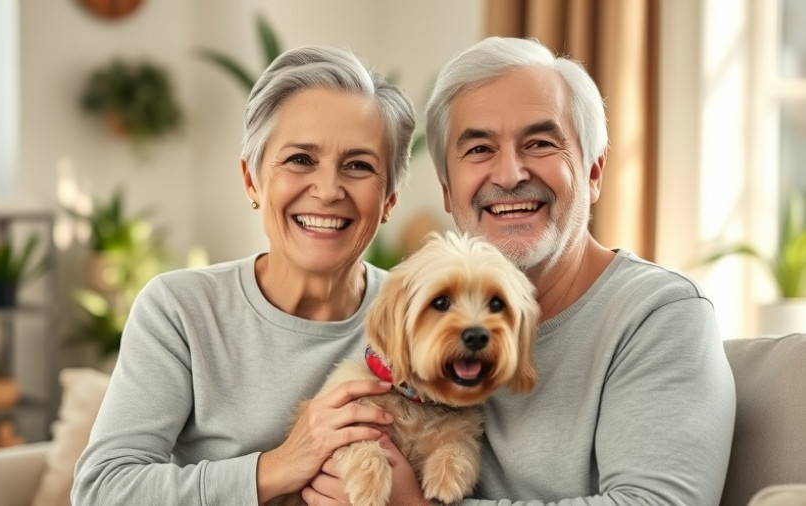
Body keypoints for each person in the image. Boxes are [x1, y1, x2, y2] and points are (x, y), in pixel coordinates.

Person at [303, 36, 736, 506]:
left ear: (593, 172)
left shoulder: (659, 317)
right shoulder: (398, 311)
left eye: (540, 142)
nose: (509, 175)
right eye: (479, 149)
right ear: (448, 191)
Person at [71, 44, 416, 506]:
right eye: (300, 159)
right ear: (252, 180)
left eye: (358, 166)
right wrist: (278, 465)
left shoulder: (429, 316)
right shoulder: (180, 309)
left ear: (389, 198)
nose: (329, 190)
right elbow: (103, 491)